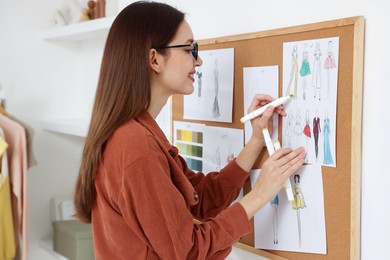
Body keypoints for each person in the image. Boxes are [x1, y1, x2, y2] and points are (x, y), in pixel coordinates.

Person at [73, 2, 306, 259]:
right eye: (189, 49)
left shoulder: (139, 134)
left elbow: (202, 199)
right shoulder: (136, 146)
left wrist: (255, 140)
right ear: (154, 59)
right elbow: (188, 252)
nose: (199, 60)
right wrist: (259, 195)